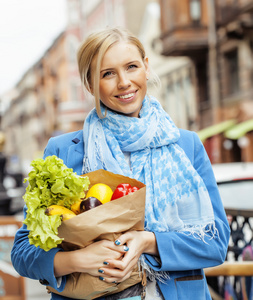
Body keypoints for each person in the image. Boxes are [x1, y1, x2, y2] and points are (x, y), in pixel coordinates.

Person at [11, 27, 230, 300]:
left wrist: (148, 242)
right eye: (108, 73)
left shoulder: (186, 145)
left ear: (146, 68)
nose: (124, 82)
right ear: (90, 84)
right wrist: (78, 260)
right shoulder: (63, 153)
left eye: (131, 67)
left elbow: (216, 243)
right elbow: (22, 252)